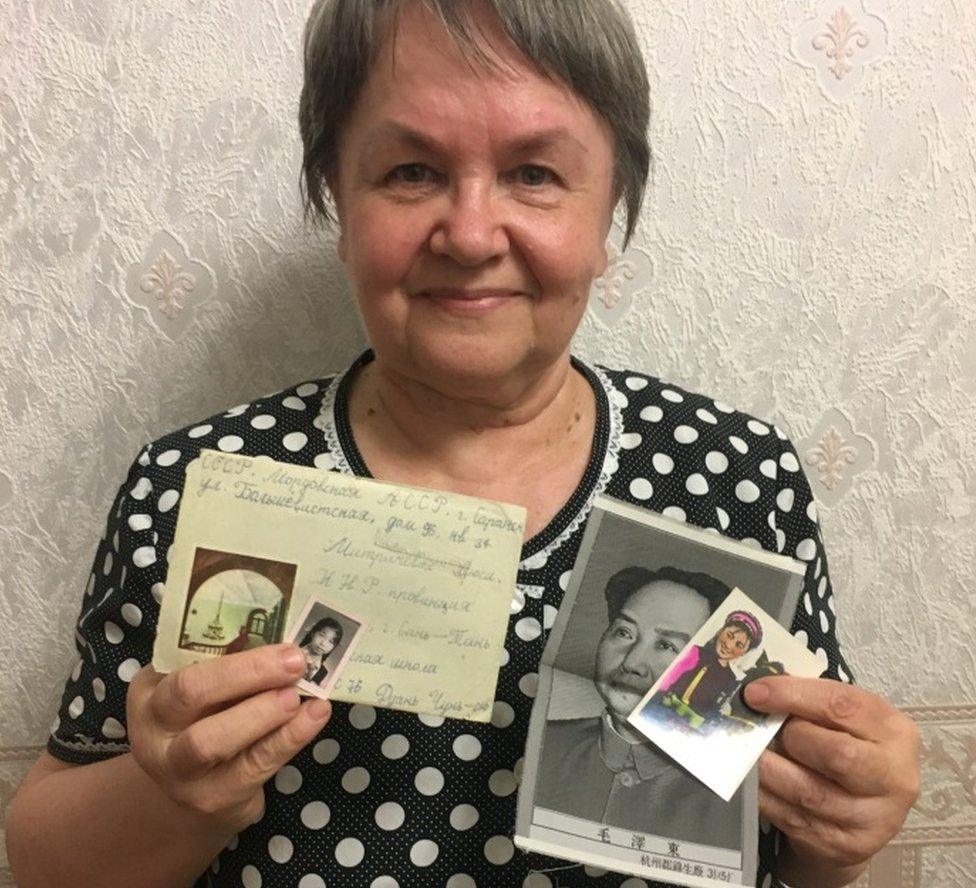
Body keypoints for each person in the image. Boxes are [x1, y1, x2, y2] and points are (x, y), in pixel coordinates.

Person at [5, 1, 920, 886]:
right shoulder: (200, 485)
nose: (472, 234)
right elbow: (51, 865)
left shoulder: (740, 478)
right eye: (410, 171)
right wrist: (178, 796)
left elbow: (793, 843)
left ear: (610, 212)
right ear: (339, 200)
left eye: (533, 174)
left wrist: (840, 835)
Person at [534, 566, 746, 847]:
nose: (632, 663)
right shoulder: (543, 744)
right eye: (624, 632)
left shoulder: (736, 793)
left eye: (667, 646)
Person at [649, 608, 762, 730]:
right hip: (664, 711)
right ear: (720, 632)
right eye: (729, 636)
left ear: (743, 653)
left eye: (739, 645)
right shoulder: (696, 653)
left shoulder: (730, 678)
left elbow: (716, 707)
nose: (729, 645)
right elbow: (666, 682)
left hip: (691, 727)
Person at [297, 616, 344, 685]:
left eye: (330, 641)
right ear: (313, 633)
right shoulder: (293, 652)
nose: (323, 643)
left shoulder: (322, 672)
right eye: (322, 635)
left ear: (333, 647)